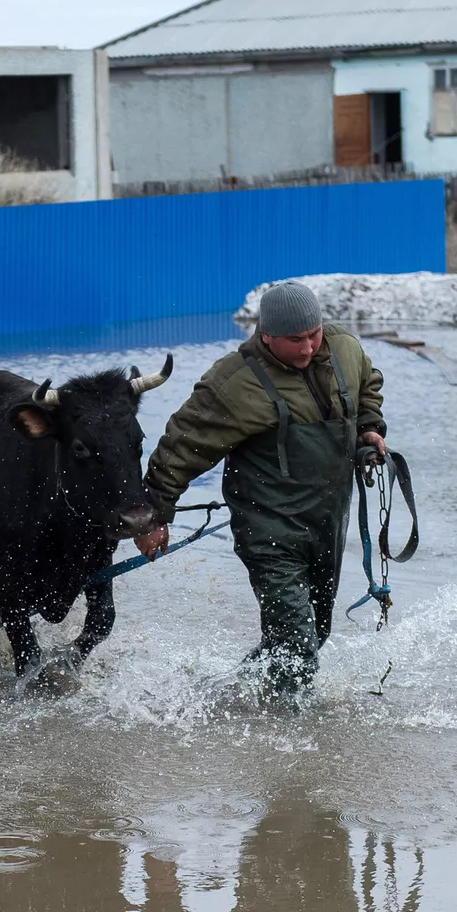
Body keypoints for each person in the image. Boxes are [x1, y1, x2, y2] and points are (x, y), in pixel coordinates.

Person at [136, 281, 387, 695]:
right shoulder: (232, 383)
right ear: (266, 335)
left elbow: (369, 384)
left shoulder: (344, 348)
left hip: (328, 521)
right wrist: (155, 515)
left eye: (313, 334)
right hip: (268, 529)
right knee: (297, 647)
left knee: (311, 636)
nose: (307, 347)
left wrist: (368, 429)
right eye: (295, 340)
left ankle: (228, 695)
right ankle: (290, 744)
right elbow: (181, 447)